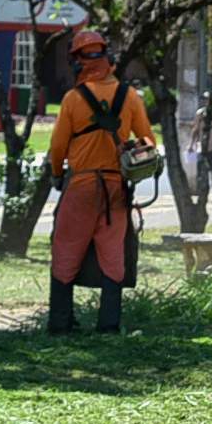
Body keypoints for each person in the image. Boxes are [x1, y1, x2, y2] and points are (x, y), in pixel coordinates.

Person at [45, 30, 157, 335]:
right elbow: (148, 140)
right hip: (115, 188)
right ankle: (108, 325)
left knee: (66, 251)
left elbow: (58, 147)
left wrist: (57, 174)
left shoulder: (72, 99)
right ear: (107, 59)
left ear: (78, 61)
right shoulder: (130, 96)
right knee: (112, 255)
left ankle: (60, 322)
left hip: (81, 186)